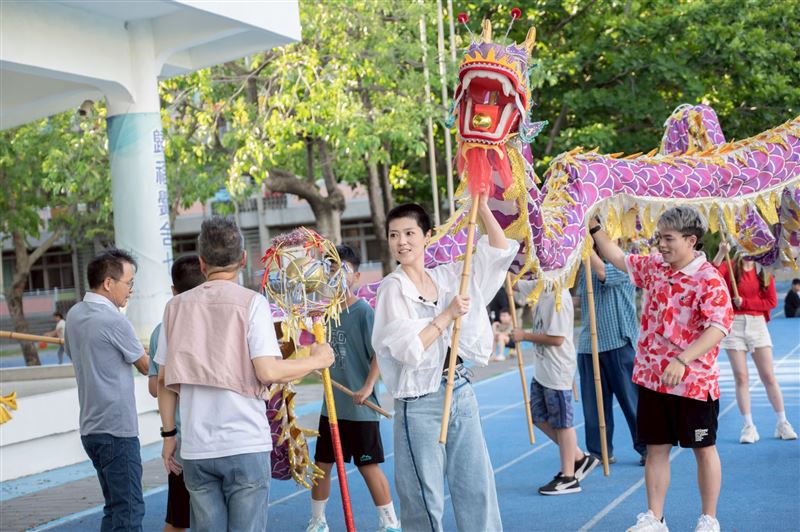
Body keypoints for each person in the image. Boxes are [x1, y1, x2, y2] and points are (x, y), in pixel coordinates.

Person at [156, 217, 334, 532]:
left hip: (196, 446)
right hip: (244, 442)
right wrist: (316, 360)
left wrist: (169, 436)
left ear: (201, 261)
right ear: (242, 260)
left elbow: (164, 381)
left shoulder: (175, 308)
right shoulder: (252, 303)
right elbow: (268, 370)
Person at [372, 197, 515, 532]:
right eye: (394, 235)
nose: (402, 242)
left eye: (409, 233)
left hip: (460, 389)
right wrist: (446, 315)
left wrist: (480, 208)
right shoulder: (393, 288)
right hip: (420, 403)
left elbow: (499, 250)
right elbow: (408, 348)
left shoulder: (451, 275)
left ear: (427, 236)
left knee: (476, 487)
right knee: (423, 498)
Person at [590, 206, 733, 532]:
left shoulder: (708, 279)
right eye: (660, 238)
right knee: (656, 449)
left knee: (703, 448)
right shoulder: (655, 266)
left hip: (694, 383)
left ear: (691, 240)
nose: (661, 245)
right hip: (653, 379)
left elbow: (718, 327)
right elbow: (618, 257)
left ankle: (708, 519)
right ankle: (654, 518)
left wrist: (682, 360)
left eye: (668, 239)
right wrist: (594, 225)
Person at [306, 245, 400, 532]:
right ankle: (318, 521)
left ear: (356, 276)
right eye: (331, 270)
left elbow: (379, 354)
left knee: (368, 466)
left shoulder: (363, 312)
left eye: (342, 271)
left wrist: (368, 386)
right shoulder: (324, 316)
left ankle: (389, 522)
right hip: (332, 407)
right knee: (321, 466)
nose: (335, 276)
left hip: (360, 408)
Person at [64, 249, 149, 531]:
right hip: (117, 430)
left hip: (91, 429)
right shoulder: (114, 320)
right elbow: (147, 366)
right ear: (109, 283)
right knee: (128, 511)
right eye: (129, 283)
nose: (131, 290)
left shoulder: (75, 314)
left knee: (114, 509)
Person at [512, 284, 600, 495]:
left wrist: (524, 336)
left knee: (562, 423)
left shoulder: (558, 296)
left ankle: (568, 476)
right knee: (538, 417)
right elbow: (514, 282)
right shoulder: (539, 287)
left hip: (557, 369)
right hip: (542, 368)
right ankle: (579, 457)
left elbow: (557, 339)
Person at [711, 244, 797, 443]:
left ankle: (782, 422)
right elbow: (711, 273)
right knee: (741, 377)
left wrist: (746, 303)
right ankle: (748, 426)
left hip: (757, 325)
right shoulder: (730, 267)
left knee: (768, 375)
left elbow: (771, 302)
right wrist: (721, 252)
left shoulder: (763, 271)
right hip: (735, 326)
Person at [147, 255, 206, 532]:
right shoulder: (220, 318)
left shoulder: (161, 330)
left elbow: (155, 387)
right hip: (219, 440)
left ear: (174, 291)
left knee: (178, 520)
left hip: (182, 441)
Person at [576, 251, 647, 465]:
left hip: (618, 342)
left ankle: (646, 447)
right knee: (594, 408)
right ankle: (599, 452)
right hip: (589, 345)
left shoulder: (624, 262)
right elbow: (579, 299)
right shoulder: (584, 265)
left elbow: (602, 272)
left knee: (632, 402)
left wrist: (582, 239)